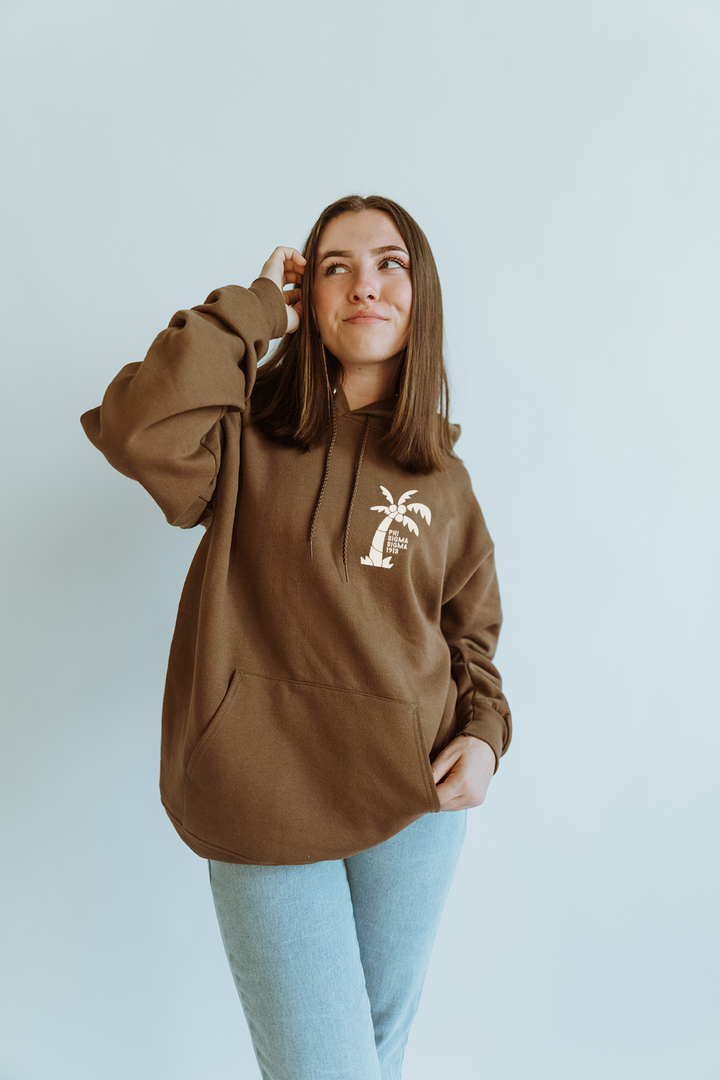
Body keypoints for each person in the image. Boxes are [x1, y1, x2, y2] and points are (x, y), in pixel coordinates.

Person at [81, 194, 511, 1080]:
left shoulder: (446, 479)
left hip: (414, 802)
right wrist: (252, 309)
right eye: (335, 267)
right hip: (260, 789)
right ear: (306, 296)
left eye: (390, 263)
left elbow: (470, 633)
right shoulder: (240, 437)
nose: (365, 285)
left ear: (421, 296)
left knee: (376, 1058)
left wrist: (483, 735)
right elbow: (133, 428)